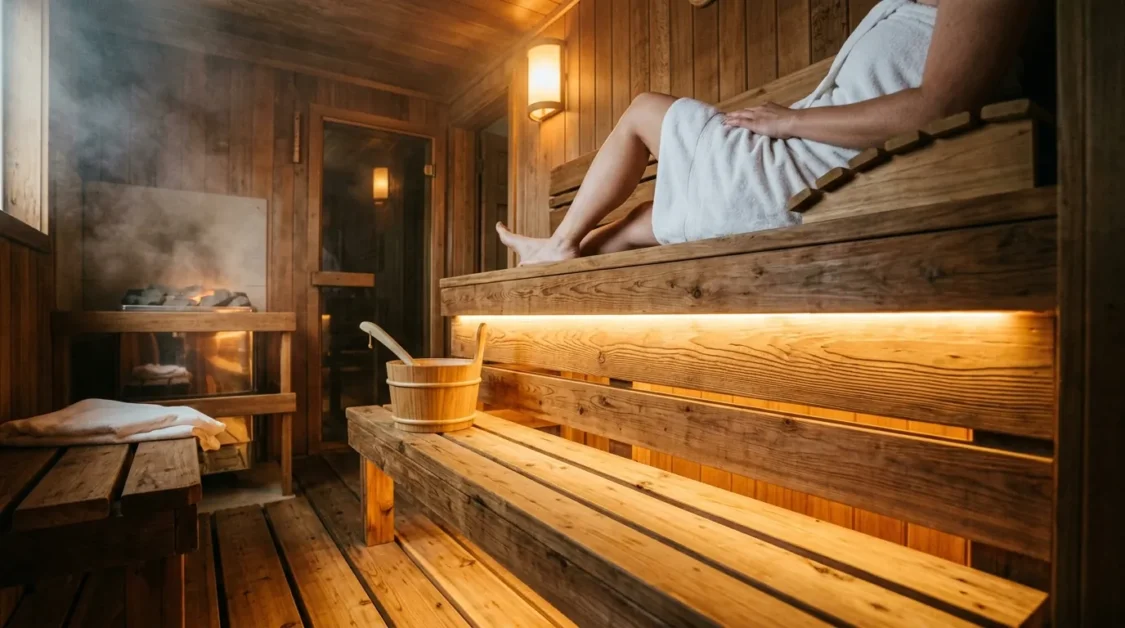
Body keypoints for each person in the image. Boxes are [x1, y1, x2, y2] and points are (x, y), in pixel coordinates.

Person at [497, 0, 1034, 265]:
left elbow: (936, 105)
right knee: (647, 215)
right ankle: (559, 250)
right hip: (796, 175)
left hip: (795, 178)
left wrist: (789, 121)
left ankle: (560, 242)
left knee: (642, 111)